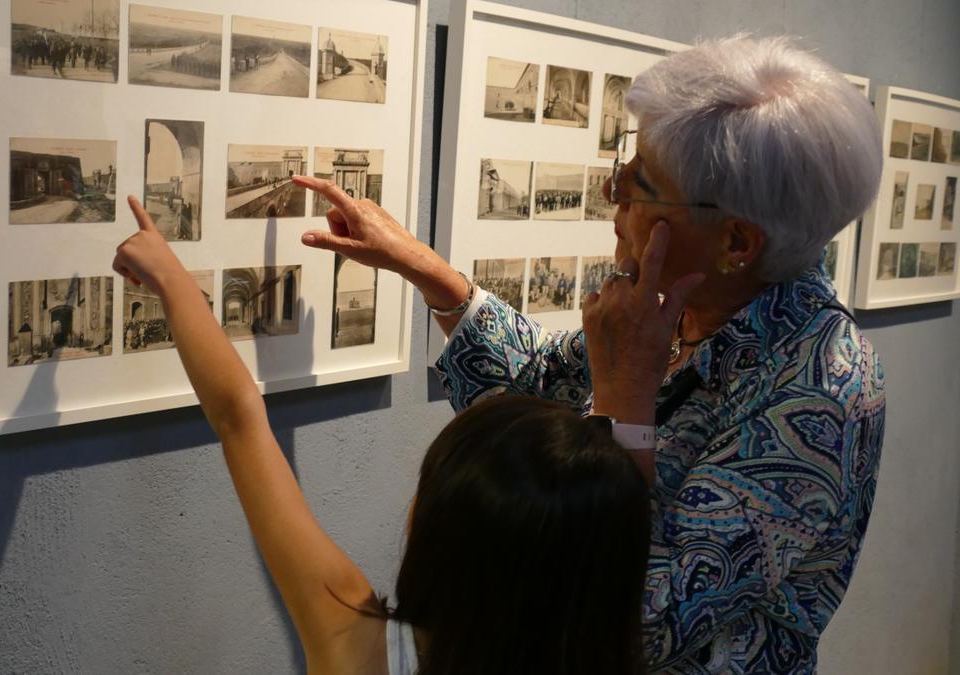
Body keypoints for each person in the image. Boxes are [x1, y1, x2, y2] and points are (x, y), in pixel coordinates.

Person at [293, 35, 886, 674]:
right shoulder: (677, 309)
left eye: (640, 183)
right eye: (625, 164)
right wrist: (425, 269)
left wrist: (626, 400)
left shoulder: (822, 387)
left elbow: (641, 615)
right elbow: (535, 389)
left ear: (736, 242)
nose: (613, 190)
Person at [113, 195, 661, 674]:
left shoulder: (363, 649)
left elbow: (239, 418)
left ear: (436, 535)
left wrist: (171, 279)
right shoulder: (616, 633)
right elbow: (613, 528)